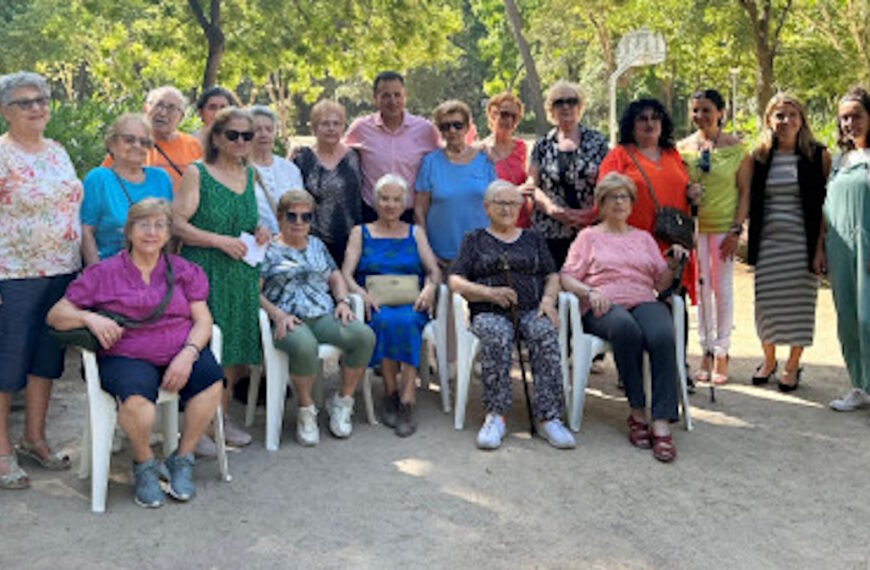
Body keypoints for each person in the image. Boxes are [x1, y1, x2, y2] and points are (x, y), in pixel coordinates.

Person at [46, 199, 223, 507]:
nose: (151, 232)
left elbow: (203, 320)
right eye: (143, 225)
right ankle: (144, 464)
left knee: (211, 380)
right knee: (138, 401)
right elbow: (56, 315)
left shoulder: (184, 271)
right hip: (126, 355)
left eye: (159, 225)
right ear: (129, 231)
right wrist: (89, 318)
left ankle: (182, 458)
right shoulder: (103, 273)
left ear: (168, 233)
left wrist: (189, 353)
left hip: (179, 350)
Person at [560, 173, 688, 463]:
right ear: (601, 204)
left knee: (662, 334)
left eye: (625, 197)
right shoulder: (588, 237)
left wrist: (671, 264)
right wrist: (589, 291)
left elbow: (660, 284)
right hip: (602, 305)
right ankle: (637, 411)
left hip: (642, 299)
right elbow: (567, 276)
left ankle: (661, 419)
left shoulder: (643, 238)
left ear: (632, 203)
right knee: (626, 330)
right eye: (612, 197)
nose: (619, 202)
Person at [0, 71, 83, 490]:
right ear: (5, 111)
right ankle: (1, 450)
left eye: (41, 100)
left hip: (63, 269)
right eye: (25, 102)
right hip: (13, 273)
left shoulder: (57, 151)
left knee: (46, 361)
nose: (36, 108)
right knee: (8, 360)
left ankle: (34, 438)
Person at [448, 180, 575, 451]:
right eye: (500, 203)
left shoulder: (533, 239)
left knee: (544, 332)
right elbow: (455, 280)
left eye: (512, 203)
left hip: (531, 308)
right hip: (489, 311)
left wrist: (548, 301)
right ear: (486, 207)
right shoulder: (474, 240)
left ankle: (549, 417)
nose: (507, 209)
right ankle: (496, 415)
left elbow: (552, 275)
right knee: (497, 334)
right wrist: (488, 293)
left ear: (520, 207)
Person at [173, 107, 268, 450]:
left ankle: (220, 418)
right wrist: (217, 240)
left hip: (240, 274)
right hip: (206, 271)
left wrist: (259, 231)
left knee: (233, 350)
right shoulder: (198, 173)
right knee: (207, 348)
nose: (241, 141)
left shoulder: (250, 174)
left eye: (247, 135)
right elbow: (176, 224)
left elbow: (245, 221)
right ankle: (196, 426)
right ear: (215, 137)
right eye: (233, 135)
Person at [260, 190, 375, 446]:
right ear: (279, 218)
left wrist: (342, 301)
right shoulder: (267, 249)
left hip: (322, 314)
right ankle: (306, 409)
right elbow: (253, 291)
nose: (299, 222)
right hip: (287, 318)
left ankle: (342, 402)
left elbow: (335, 276)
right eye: (292, 216)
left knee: (363, 336)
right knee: (305, 346)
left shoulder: (316, 245)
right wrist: (277, 314)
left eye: (306, 216)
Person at [739, 93, 830, 392]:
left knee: (800, 306)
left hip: (802, 245)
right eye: (779, 115)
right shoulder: (758, 157)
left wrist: (820, 248)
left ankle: (792, 365)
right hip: (768, 243)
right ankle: (769, 361)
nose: (786, 121)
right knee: (766, 305)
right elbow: (746, 198)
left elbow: (825, 207)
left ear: (802, 120)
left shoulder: (818, 156)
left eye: (792, 115)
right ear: (769, 120)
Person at [342, 174, 441, 437]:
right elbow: (346, 274)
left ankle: (407, 399)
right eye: (384, 198)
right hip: (375, 303)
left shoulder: (415, 232)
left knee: (407, 321)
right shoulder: (360, 233)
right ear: (375, 201)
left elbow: (434, 270)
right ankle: (389, 392)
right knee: (385, 321)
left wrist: (430, 288)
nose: (390, 205)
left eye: (396, 199)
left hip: (411, 302)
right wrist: (360, 294)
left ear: (404, 203)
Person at [676, 90, 748, 385]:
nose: (700, 116)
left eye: (706, 110)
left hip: (723, 227)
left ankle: (722, 350)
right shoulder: (682, 148)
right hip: (695, 228)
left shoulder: (736, 149)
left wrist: (736, 229)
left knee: (722, 287)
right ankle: (705, 348)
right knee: (701, 288)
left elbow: (745, 192)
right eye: (695, 110)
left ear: (720, 112)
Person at [597, 98, 699, 299]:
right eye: (642, 119)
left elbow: (680, 186)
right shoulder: (619, 156)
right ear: (631, 125)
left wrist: (691, 192)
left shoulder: (671, 154)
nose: (650, 123)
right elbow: (603, 197)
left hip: (673, 245)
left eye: (655, 118)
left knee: (676, 309)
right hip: (634, 248)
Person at [817, 87, 870, 411]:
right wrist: (820, 249)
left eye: (857, 116)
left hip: (867, 244)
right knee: (847, 319)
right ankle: (859, 386)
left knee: (867, 319)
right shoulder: (839, 159)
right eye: (845, 118)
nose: (850, 123)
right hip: (838, 245)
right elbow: (826, 207)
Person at [528, 81, 609, 266]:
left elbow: (610, 184)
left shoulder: (598, 142)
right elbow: (532, 185)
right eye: (559, 102)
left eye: (572, 101)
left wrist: (592, 213)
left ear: (580, 106)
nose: (566, 107)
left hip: (591, 230)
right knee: (552, 282)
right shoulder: (542, 145)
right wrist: (551, 208)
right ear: (551, 109)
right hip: (550, 232)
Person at [345, 71, 440, 224]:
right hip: (372, 215)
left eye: (397, 95)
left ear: (405, 96)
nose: (393, 101)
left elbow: (444, 158)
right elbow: (338, 151)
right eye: (385, 96)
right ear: (375, 98)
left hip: (410, 215)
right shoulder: (361, 129)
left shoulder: (425, 130)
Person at [81, 113, 173, 265]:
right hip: (110, 269)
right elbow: (86, 231)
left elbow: (169, 230)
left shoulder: (160, 178)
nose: (137, 146)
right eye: (129, 140)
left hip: (154, 269)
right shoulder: (99, 179)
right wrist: (96, 273)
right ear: (111, 143)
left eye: (144, 142)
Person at [415, 99, 496, 264]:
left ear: (467, 127)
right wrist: (427, 251)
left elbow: (495, 204)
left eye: (457, 125)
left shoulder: (484, 159)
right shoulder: (430, 163)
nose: (452, 131)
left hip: (482, 253)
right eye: (445, 126)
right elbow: (419, 211)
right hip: (442, 255)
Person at [294, 100, 362, 267]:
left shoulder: (355, 156)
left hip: (351, 237)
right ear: (314, 128)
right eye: (325, 124)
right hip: (313, 239)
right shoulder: (301, 158)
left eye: (336, 124)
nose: (331, 128)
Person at [103, 86, 203, 191]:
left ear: (181, 117)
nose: (163, 113)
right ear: (145, 109)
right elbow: (105, 182)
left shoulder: (194, 146)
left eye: (171, 108)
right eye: (158, 105)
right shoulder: (128, 145)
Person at [249, 105, 304, 234]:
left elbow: (301, 206)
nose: (264, 134)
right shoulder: (238, 169)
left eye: (269, 129)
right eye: (257, 129)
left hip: (288, 239)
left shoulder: (290, 169)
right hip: (253, 241)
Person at [482, 92, 532, 228]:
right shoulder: (480, 151)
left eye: (514, 117)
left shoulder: (521, 147)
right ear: (492, 115)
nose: (509, 121)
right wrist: (515, 192)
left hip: (522, 222)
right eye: (504, 114)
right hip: (495, 224)